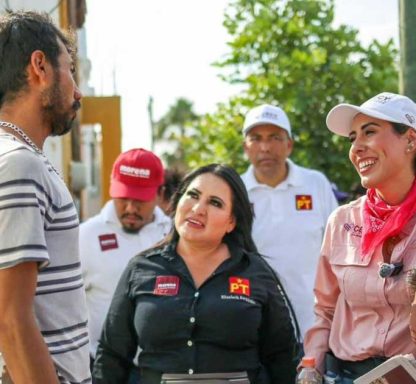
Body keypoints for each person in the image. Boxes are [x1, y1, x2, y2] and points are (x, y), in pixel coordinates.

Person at [303, 92, 416, 383]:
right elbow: (325, 310)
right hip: (346, 375)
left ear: (411, 141)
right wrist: (310, 367)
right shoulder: (341, 221)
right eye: (352, 138)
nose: (356, 148)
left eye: (369, 132)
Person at [93, 164, 298, 383]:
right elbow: (111, 356)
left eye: (215, 203)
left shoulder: (255, 272)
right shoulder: (141, 269)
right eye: (193, 195)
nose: (198, 208)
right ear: (178, 201)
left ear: (231, 222)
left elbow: (283, 358)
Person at [0, 11, 90, 384]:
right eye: (70, 70)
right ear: (40, 66)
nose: (78, 92)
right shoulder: (18, 164)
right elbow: (9, 319)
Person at [241, 103, 338, 337]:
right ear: (246, 147)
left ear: (289, 145)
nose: (265, 147)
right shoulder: (235, 192)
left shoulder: (316, 184)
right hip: (254, 328)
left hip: (315, 326)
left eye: (274, 137)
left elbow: (339, 249)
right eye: (256, 138)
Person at [80, 148, 171, 363]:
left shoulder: (174, 235)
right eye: (123, 198)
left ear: (160, 194)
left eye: (140, 200)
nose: (130, 208)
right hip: (101, 365)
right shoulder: (84, 236)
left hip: (162, 366)